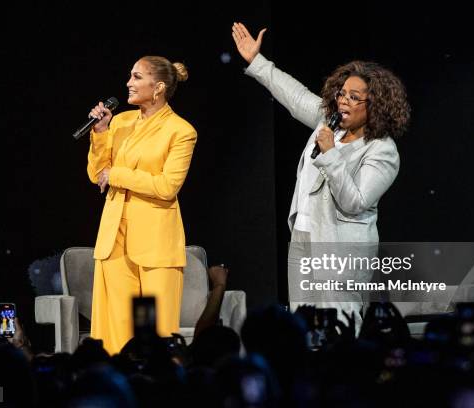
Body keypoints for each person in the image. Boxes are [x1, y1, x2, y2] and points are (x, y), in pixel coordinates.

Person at [232, 22, 410, 330]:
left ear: (376, 105)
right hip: (304, 238)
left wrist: (330, 154)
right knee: (305, 327)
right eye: (342, 94)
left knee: (339, 328)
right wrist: (257, 61)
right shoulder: (329, 123)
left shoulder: (382, 150)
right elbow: (296, 95)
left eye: (355, 97)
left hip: (340, 250)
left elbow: (355, 202)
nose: (343, 101)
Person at [86, 56, 197, 355]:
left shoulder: (181, 131)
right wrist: (99, 134)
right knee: (117, 334)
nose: (128, 83)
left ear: (158, 87)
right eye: (130, 76)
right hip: (115, 238)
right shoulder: (119, 122)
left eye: (136, 77)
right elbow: (98, 174)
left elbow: (167, 186)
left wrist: (118, 175)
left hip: (155, 244)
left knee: (156, 335)